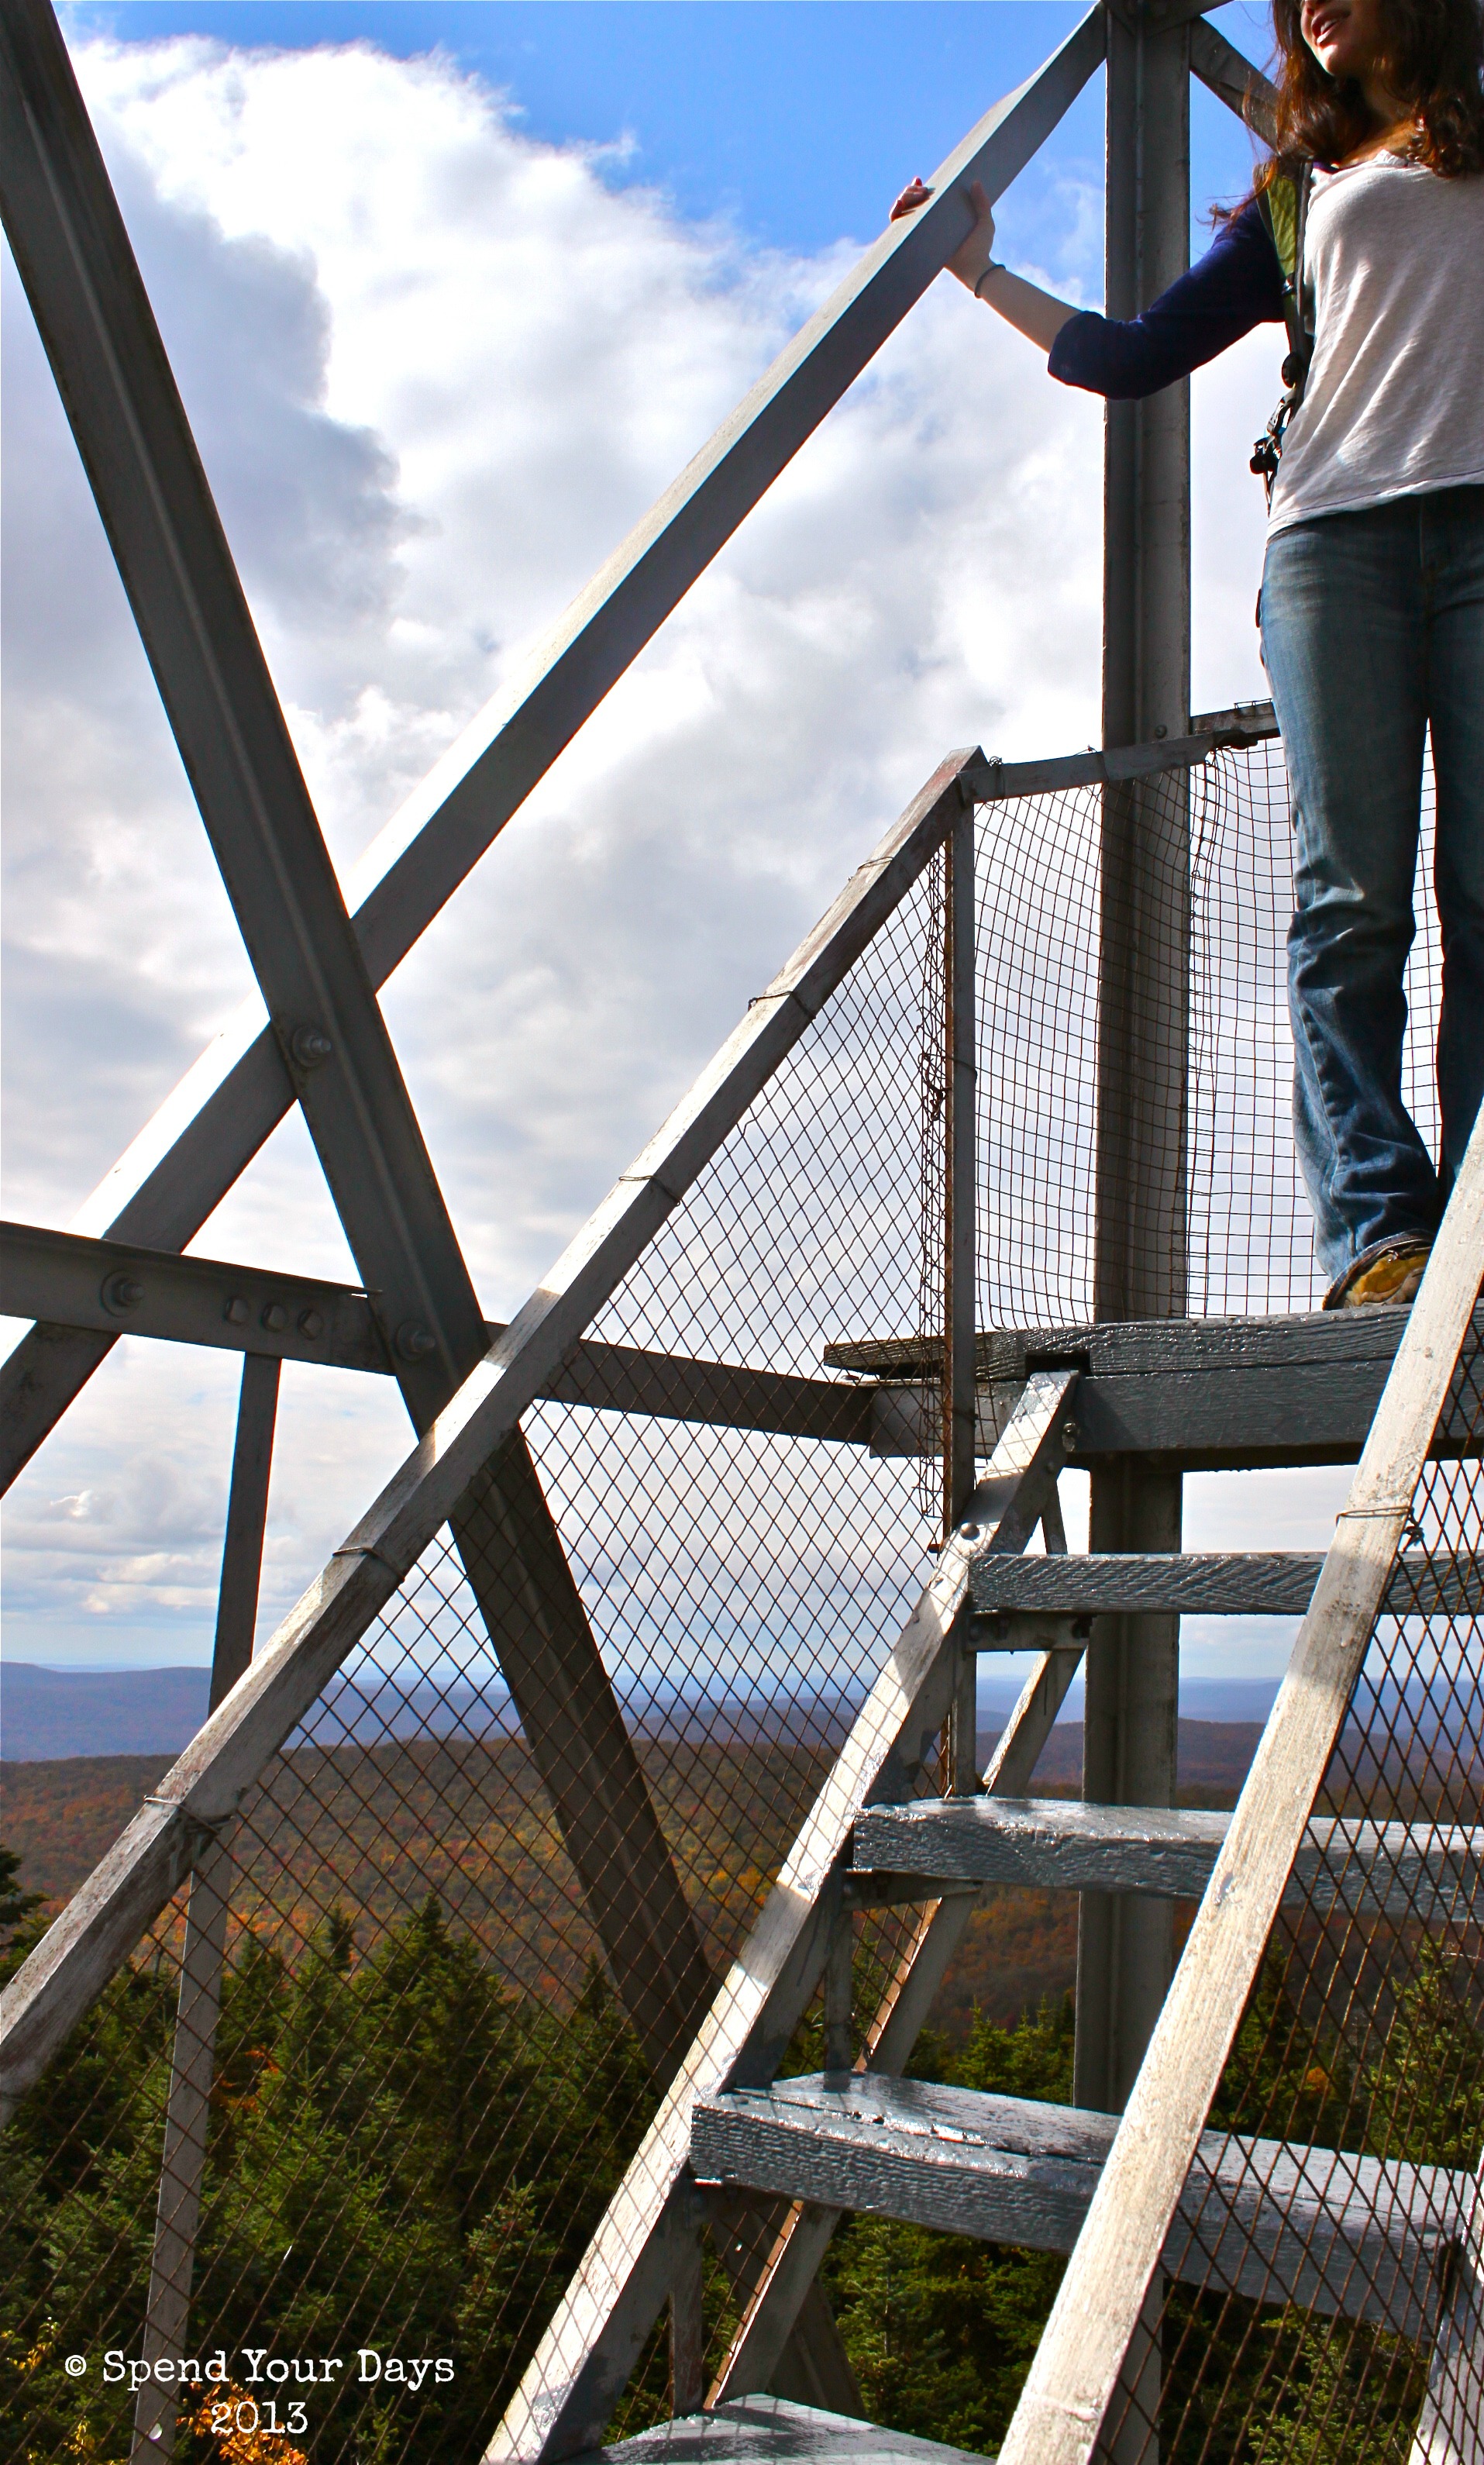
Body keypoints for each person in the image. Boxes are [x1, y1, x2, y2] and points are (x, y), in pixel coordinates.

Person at [893, 0, 1484, 1309]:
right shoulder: (1296, 194)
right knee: (1351, 902)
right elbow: (1133, 354)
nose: (1310, 3)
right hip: (1337, 548)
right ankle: (1383, 1237)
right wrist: (977, 271)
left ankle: (1483, 1236)